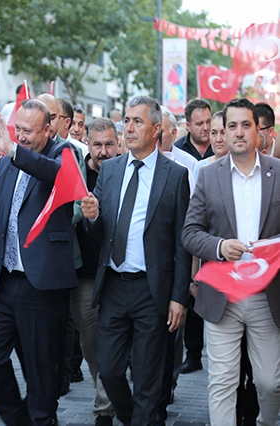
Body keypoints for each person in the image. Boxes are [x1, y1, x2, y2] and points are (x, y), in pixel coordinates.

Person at [0, 100, 78, 425]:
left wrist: (16, 153)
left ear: (47, 130)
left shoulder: (62, 155)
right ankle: (19, 419)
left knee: (40, 369)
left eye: (28, 131)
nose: (20, 136)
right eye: (17, 129)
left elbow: (56, 175)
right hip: (6, 281)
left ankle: (42, 419)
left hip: (42, 285)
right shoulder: (9, 163)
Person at [80, 96, 190, 426]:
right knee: (110, 372)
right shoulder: (111, 170)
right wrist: (92, 218)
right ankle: (133, 419)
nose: (128, 128)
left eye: (137, 122)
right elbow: (96, 230)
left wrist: (178, 297)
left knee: (147, 379)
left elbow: (182, 245)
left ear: (157, 129)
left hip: (152, 289)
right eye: (126, 120)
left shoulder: (175, 176)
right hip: (113, 285)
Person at [182, 97, 280, 426]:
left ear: (259, 131)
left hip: (267, 295)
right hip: (222, 294)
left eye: (245, 125)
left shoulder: (278, 173)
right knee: (222, 382)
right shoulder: (208, 176)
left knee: (270, 382)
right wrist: (220, 246)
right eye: (231, 126)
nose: (238, 133)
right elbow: (190, 233)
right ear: (223, 132)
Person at [74, 118, 118, 426]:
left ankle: (105, 409)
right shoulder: (76, 175)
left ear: (119, 144)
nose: (103, 152)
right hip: (84, 275)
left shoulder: (127, 172)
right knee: (90, 344)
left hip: (118, 274)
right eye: (97, 145)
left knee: (115, 344)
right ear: (88, 144)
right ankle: (107, 394)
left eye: (109, 145)